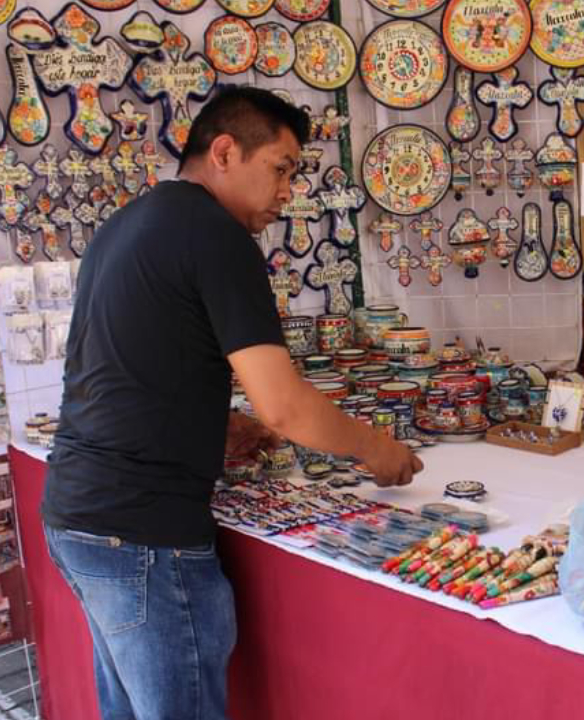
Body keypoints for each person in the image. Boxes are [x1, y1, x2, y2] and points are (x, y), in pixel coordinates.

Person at [40, 86, 423, 720]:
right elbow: (286, 407)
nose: (287, 192)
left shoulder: (128, 224)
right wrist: (376, 448)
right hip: (143, 534)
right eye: (281, 168)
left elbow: (127, 373)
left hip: (79, 514)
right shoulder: (216, 237)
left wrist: (221, 425)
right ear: (224, 151)